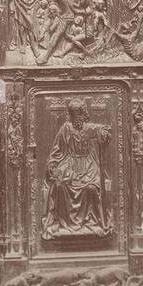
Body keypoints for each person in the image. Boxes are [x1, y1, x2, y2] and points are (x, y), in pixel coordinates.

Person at [42, 100, 112, 238]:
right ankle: (62, 222)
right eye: (74, 116)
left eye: (79, 116)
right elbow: (57, 150)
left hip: (88, 166)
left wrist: (104, 134)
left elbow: (102, 130)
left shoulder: (89, 128)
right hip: (69, 165)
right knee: (60, 185)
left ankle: (93, 221)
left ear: (83, 114)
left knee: (91, 188)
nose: (77, 120)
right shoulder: (65, 129)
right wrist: (52, 164)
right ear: (70, 116)